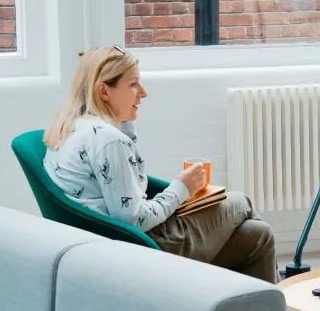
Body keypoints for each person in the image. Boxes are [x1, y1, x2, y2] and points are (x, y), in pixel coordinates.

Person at [42, 44, 278, 283]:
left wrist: (123, 123)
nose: (142, 93)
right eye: (133, 84)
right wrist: (181, 188)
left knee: (258, 234)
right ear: (104, 91)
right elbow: (132, 220)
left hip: (104, 244)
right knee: (240, 202)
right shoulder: (109, 141)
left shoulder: (73, 126)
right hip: (143, 246)